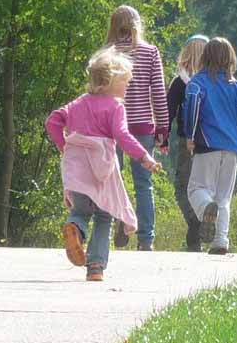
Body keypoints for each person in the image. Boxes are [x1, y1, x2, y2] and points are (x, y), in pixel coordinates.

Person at [45, 47, 163, 281]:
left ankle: (75, 230)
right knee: (104, 216)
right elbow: (122, 135)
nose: (128, 87)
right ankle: (96, 267)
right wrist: (144, 157)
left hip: (77, 168)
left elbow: (52, 121)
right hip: (102, 170)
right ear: (110, 80)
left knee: (79, 211)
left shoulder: (77, 103)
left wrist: (65, 146)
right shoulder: (115, 106)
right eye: (126, 82)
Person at [182, 37, 237, 255]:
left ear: (205, 57)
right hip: (232, 147)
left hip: (207, 144)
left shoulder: (197, 83)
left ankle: (206, 208)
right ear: (231, 59)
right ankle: (221, 241)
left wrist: (189, 135)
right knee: (224, 197)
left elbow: (193, 107)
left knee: (197, 189)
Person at [106, 5, 169, 251]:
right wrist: (163, 129)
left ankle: (120, 222)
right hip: (142, 126)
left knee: (114, 179)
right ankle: (146, 239)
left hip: (111, 126)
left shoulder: (107, 53)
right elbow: (159, 94)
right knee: (144, 183)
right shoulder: (150, 52)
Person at [165, 34, 210, 252]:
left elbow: (168, 114)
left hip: (187, 141)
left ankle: (195, 223)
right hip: (212, 142)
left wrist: (162, 138)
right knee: (204, 187)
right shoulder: (214, 81)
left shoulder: (179, 83)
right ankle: (201, 232)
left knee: (182, 187)